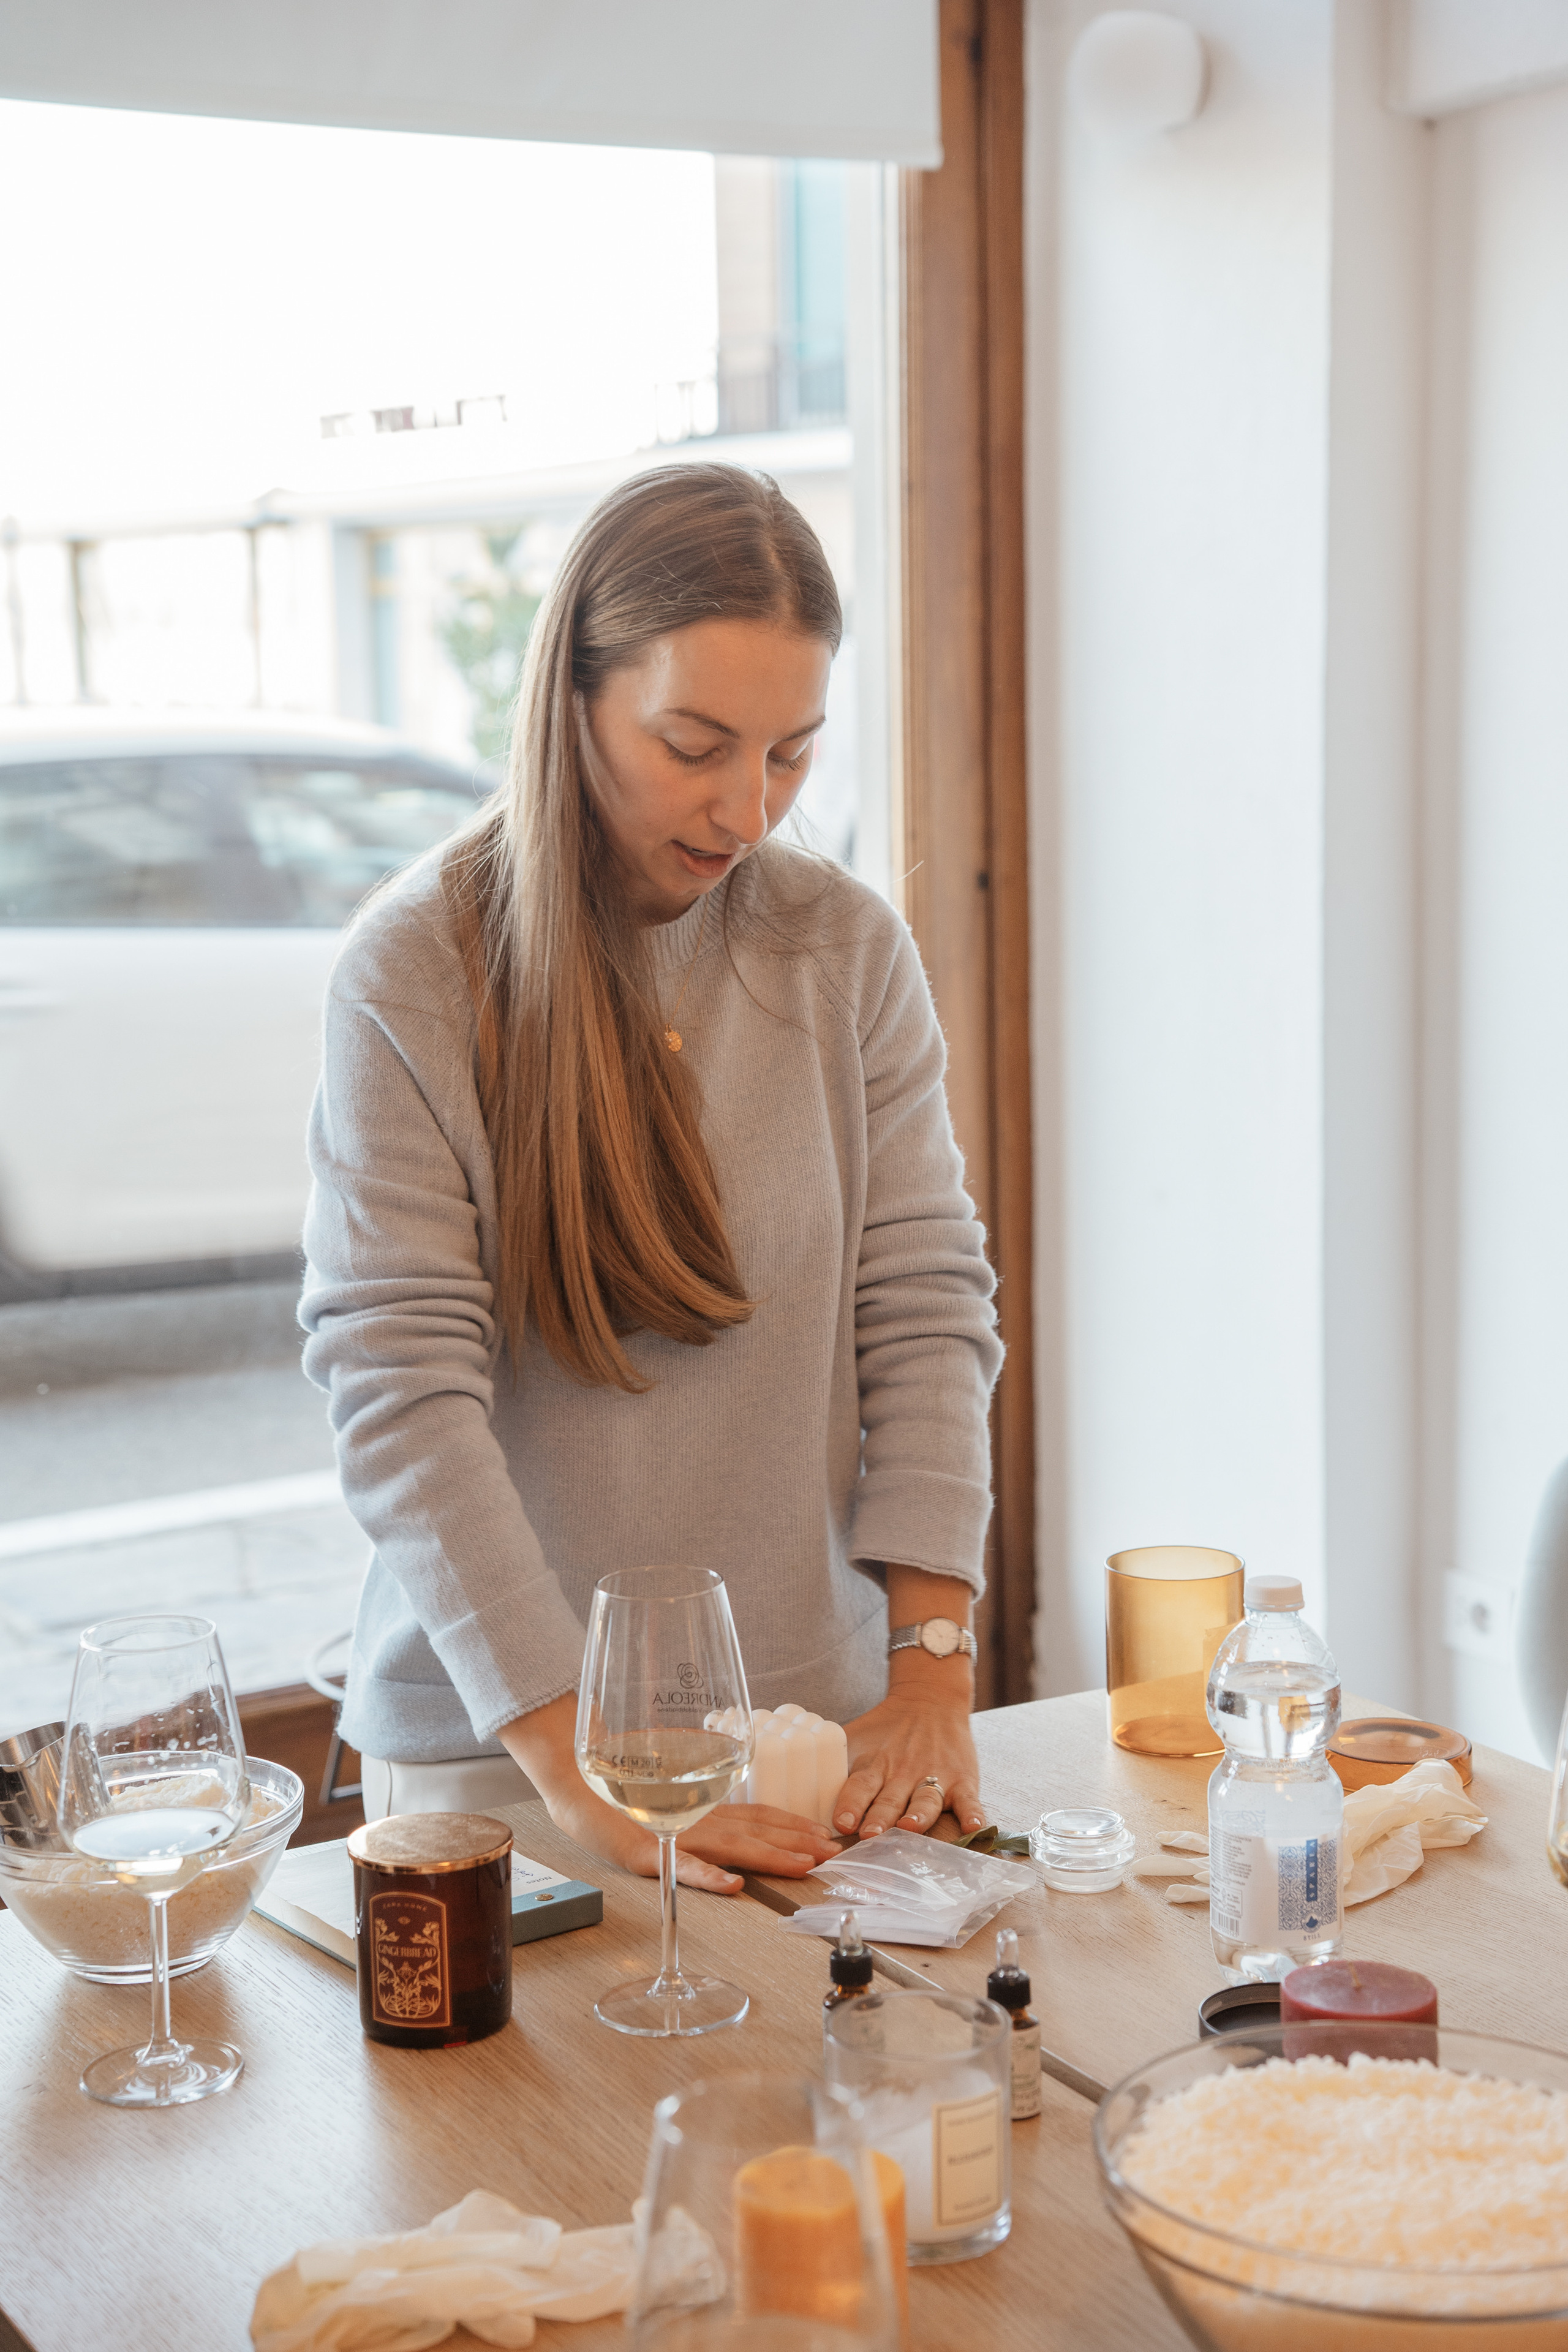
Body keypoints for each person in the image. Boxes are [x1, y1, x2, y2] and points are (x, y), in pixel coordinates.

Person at [301, 462, 1003, 1898]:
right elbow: (400, 1391)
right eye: (693, 743)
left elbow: (924, 1304)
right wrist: (581, 1767)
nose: (746, 809)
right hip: (509, 1753)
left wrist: (930, 1666)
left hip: (811, 1735)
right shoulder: (417, 971)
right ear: (573, 699)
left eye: (792, 755)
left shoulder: (840, 948)